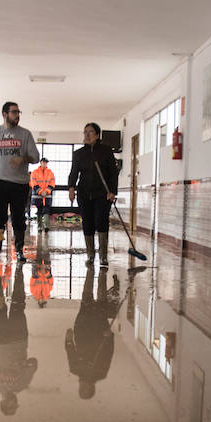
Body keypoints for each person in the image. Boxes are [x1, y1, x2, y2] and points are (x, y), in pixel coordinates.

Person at [0, 101, 40, 264]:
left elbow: (35, 157)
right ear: (5, 114)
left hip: (19, 184)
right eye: (14, 112)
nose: (17, 115)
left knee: (18, 218)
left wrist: (23, 158)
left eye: (18, 112)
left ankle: (20, 251)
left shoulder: (25, 134)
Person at [0, 263, 37, 415]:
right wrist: (26, 364)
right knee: (18, 305)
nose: (13, 402)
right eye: (15, 404)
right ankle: (19, 273)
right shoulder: (22, 384)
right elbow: (34, 363)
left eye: (9, 405)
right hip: (18, 337)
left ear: (3, 403)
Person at [65, 267, 120, 399]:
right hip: (99, 329)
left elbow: (70, 351)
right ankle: (102, 271)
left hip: (83, 327)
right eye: (86, 390)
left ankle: (90, 271)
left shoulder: (75, 369)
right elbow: (108, 353)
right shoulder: (101, 373)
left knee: (87, 296)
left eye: (81, 389)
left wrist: (68, 339)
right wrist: (110, 336)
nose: (83, 387)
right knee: (101, 299)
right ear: (92, 388)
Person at [69, 123, 118, 268]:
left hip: (102, 193)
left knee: (101, 221)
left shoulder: (106, 151)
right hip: (84, 193)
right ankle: (90, 255)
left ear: (97, 135)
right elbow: (74, 172)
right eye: (85, 132)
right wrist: (71, 187)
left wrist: (113, 191)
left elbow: (113, 173)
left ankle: (103, 256)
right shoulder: (78, 153)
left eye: (90, 132)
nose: (87, 135)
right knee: (87, 223)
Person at [30, 157, 56, 232]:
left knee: (46, 210)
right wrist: (41, 191)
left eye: (46, 163)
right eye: (43, 162)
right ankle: (39, 227)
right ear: (40, 163)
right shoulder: (34, 172)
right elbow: (33, 183)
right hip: (38, 196)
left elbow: (52, 183)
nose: (44, 164)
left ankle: (46, 226)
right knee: (39, 211)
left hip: (47, 196)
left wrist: (47, 191)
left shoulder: (50, 173)